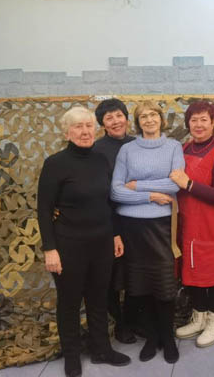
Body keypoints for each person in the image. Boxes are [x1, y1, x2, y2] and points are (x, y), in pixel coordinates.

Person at [37, 106, 131, 377]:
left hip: (101, 244)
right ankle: (72, 355)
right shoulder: (55, 164)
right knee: (69, 302)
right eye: (78, 126)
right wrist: (50, 249)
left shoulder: (101, 160)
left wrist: (114, 234)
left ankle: (102, 349)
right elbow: (44, 209)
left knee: (98, 299)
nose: (85, 131)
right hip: (69, 246)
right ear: (67, 132)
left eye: (89, 126)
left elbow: (107, 202)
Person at [111, 101, 185, 364]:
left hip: (161, 226)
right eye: (143, 116)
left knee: (164, 284)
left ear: (161, 119)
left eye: (153, 115)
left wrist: (137, 186)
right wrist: (151, 195)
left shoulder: (173, 147)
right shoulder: (127, 150)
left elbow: (175, 185)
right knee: (140, 286)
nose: (149, 120)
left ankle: (167, 337)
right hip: (132, 227)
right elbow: (116, 190)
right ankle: (152, 337)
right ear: (137, 122)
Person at [170, 101, 214, 348]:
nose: (198, 125)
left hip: (211, 224)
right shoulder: (184, 148)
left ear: (213, 123)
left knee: (212, 271)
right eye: (194, 120)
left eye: (204, 120)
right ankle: (199, 316)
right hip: (187, 222)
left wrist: (188, 184)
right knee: (191, 267)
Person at [92, 98, 137, 345]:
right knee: (112, 277)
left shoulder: (138, 144)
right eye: (109, 118)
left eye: (119, 115)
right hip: (110, 220)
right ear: (102, 124)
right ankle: (119, 322)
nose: (116, 121)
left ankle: (134, 319)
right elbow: (100, 193)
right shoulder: (96, 150)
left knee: (135, 273)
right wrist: (113, 232)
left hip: (139, 219)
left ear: (127, 118)